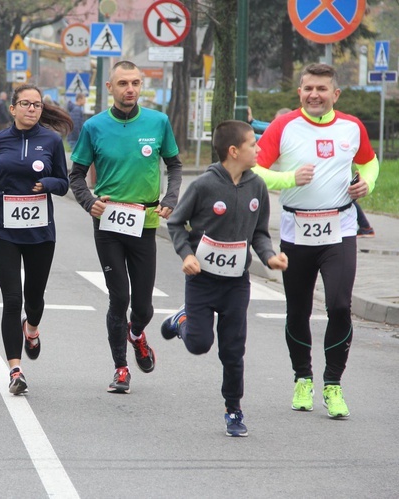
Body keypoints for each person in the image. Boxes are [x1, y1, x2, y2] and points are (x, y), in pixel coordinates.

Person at [252, 63, 379, 418]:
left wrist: (368, 183)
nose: (314, 95)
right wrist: (289, 178)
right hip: (297, 231)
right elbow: (256, 169)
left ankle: (333, 383)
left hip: (339, 227)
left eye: (322, 89)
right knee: (298, 310)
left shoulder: (351, 127)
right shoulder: (284, 126)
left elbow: (369, 163)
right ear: (300, 92)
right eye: (308, 88)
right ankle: (302, 377)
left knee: (339, 305)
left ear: (335, 94)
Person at [161, 121, 289, 437]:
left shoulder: (257, 186)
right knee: (200, 344)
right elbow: (176, 223)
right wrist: (187, 255)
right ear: (234, 151)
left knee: (233, 350)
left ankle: (233, 410)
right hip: (202, 281)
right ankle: (182, 321)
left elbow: (259, 232)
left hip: (236, 283)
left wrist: (269, 256)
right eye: (253, 144)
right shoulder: (204, 185)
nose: (259, 149)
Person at [69, 60, 183, 393]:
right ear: (110, 88)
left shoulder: (158, 122)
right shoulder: (94, 127)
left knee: (143, 306)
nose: (129, 89)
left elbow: (175, 166)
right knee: (119, 297)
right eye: (122, 83)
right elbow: (75, 175)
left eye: (135, 83)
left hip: (144, 223)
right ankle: (120, 368)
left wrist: (171, 198)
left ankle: (137, 334)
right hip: (107, 223)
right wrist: (90, 203)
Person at [0, 84, 72, 395]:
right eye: (26, 104)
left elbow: (63, 183)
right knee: (12, 300)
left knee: (34, 298)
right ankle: (15, 370)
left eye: (37, 105)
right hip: (3, 227)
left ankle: (31, 329)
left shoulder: (52, 141)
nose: (32, 109)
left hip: (39, 230)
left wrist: (46, 183)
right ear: (13, 109)